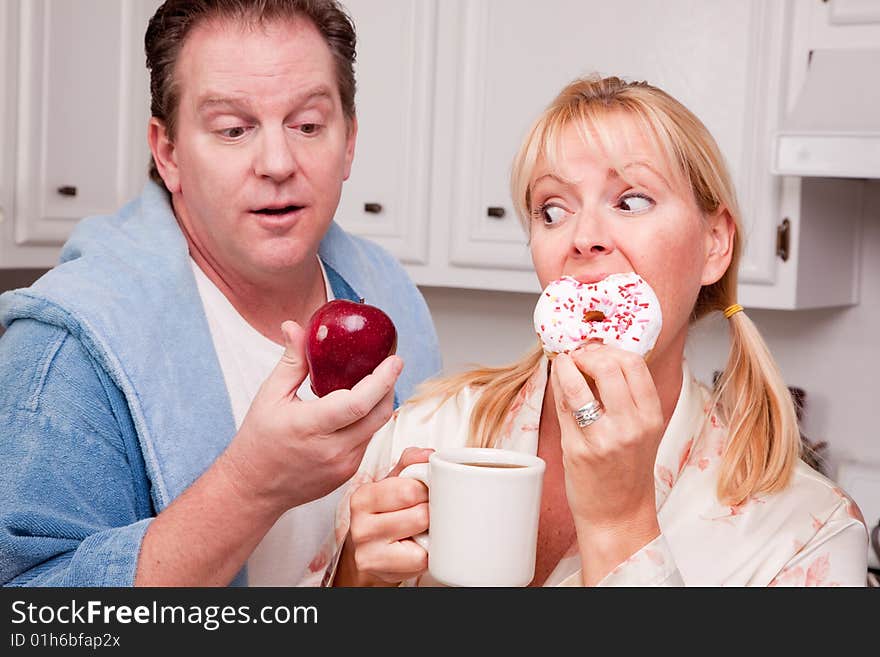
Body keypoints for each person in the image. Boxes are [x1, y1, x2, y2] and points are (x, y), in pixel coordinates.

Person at [328, 75, 869, 587]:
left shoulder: (808, 535)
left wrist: (621, 525)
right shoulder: (426, 434)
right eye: (553, 210)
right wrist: (356, 578)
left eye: (631, 201)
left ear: (715, 244)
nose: (584, 237)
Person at [0, 0, 440, 587]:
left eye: (308, 125)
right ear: (169, 153)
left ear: (350, 140)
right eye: (234, 130)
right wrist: (250, 486)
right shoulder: (64, 351)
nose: (278, 163)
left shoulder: (391, 293)